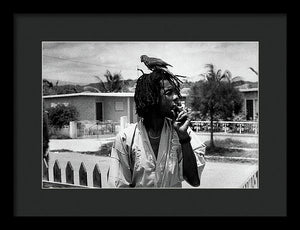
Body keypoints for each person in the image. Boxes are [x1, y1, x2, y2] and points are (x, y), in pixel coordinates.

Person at [107, 69, 206, 188]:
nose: (175, 98)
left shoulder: (182, 132)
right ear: (152, 97)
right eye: (169, 92)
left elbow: (194, 180)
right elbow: (118, 185)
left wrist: (184, 138)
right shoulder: (126, 139)